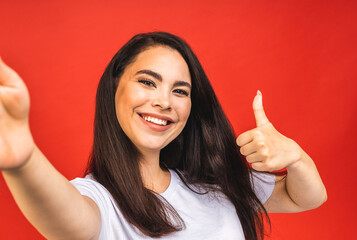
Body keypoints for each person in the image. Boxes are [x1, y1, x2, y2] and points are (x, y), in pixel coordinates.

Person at [0, 32, 327, 240]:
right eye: (147, 81)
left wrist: (296, 157)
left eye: (180, 90)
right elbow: (64, 220)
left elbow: (308, 197)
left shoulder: (212, 184)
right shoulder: (99, 200)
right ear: (115, 87)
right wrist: (23, 160)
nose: (164, 101)